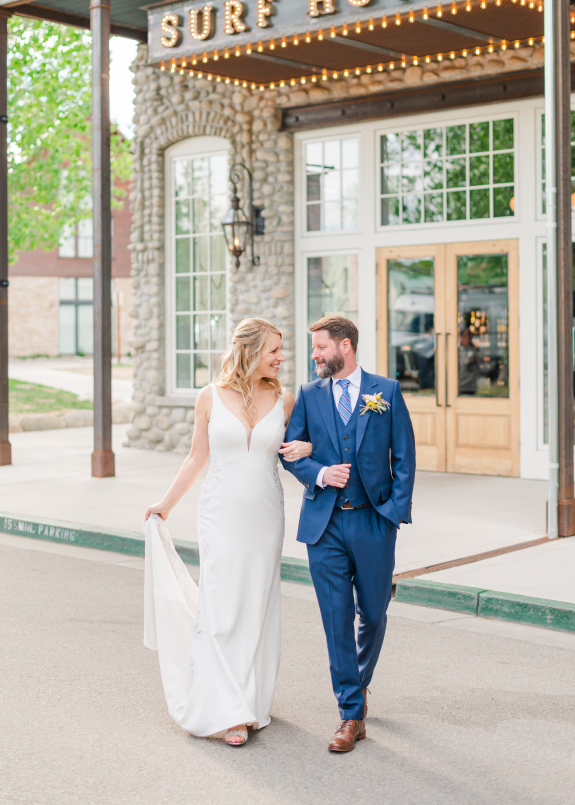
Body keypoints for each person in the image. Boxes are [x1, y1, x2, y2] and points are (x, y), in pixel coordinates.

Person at [143, 318, 311, 746]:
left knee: (257, 603)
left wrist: (307, 449)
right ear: (251, 351)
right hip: (219, 515)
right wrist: (165, 504)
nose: (281, 357)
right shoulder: (209, 397)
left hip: (266, 515)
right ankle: (224, 708)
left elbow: (298, 454)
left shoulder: (284, 397)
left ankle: (250, 701)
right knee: (221, 605)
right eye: (274, 349)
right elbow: (196, 458)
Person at [281, 316, 415, 753]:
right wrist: (319, 471)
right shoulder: (308, 394)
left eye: (320, 347)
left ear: (345, 346)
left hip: (373, 521)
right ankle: (350, 713)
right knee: (336, 620)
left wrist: (393, 513)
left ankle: (357, 687)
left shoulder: (386, 391)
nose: (315, 355)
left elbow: (406, 457)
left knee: (373, 615)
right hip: (325, 525)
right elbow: (290, 452)